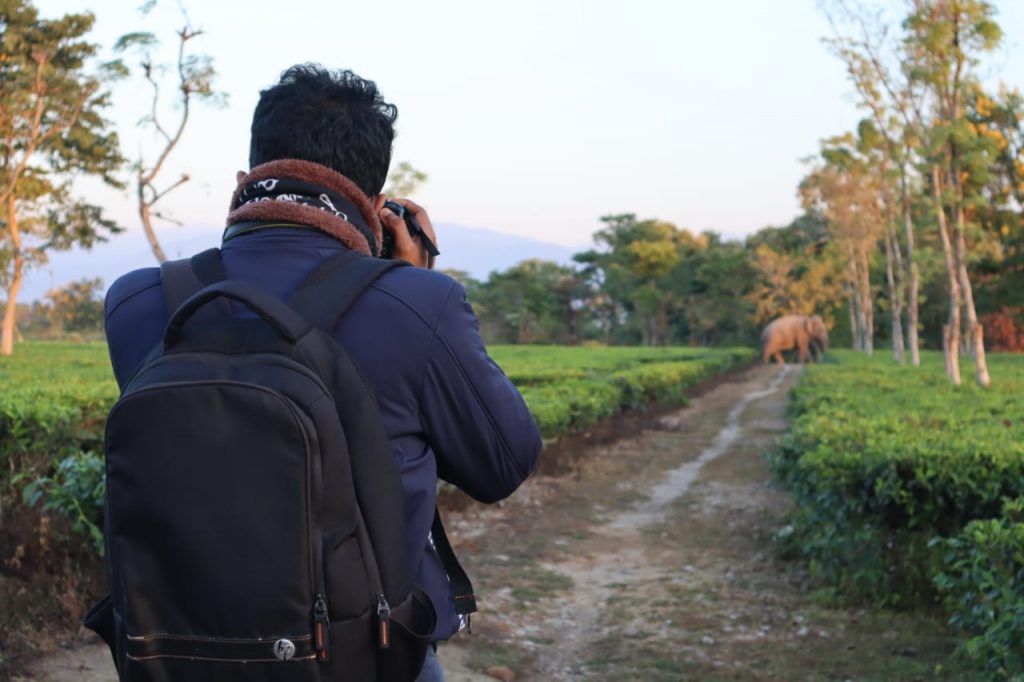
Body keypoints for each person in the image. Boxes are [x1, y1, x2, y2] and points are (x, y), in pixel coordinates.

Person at [103, 64, 543, 681]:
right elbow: (503, 464)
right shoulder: (418, 305)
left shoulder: (136, 302)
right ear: (376, 204)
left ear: (245, 180)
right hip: (359, 659)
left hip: (176, 655)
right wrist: (419, 279)